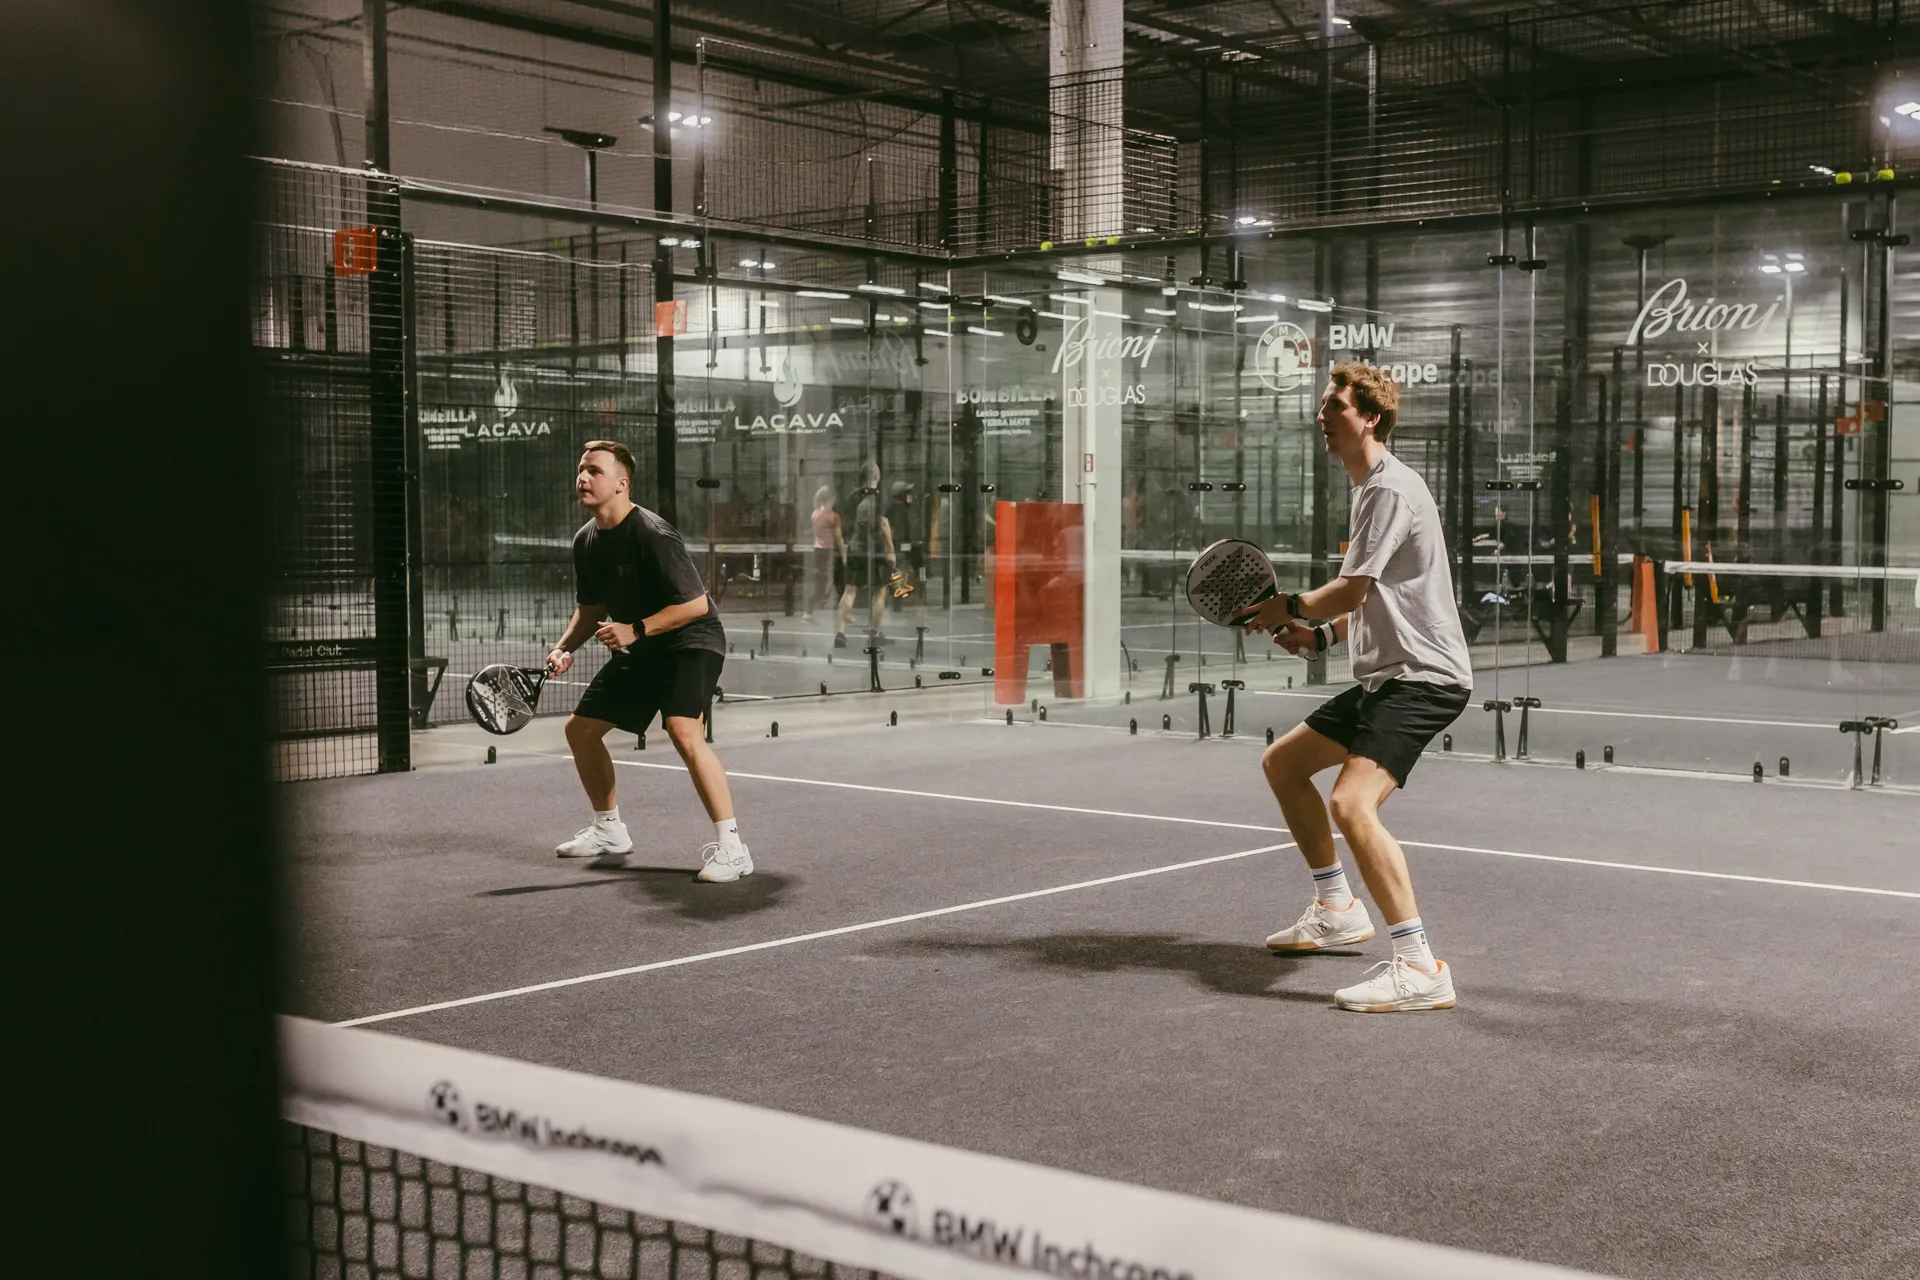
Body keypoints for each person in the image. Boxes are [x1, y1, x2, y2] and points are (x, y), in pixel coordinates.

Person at [1242, 364, 1473, 1012]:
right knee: (1284, 763)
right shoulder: (1372, 488)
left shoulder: (1389, 490)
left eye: (1335, 405)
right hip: (1385, 677)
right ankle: (1336, 907)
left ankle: (1420, 965)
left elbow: (1349, 590)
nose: (1323, 414)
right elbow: (1377, 599)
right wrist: (1318, 638)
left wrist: (1289, 603)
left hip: (1424, 680)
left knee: (1351, 804)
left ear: (1369, 416)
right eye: (1321, 405)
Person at [544, 440, 754, 883]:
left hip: (691, 641)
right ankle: (609, 831)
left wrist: (634, 629)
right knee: (580, 730)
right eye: (580, 470)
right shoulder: (586, 540)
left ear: (621, 484)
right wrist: (564, 648)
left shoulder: (652, 533)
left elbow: (697, 604)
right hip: (641, 646)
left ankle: (734, 849)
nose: (582, 477)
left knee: (683, 729)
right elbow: (591, 608)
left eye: (594, 471)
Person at [834, 461, 897, 647]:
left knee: (850, 590)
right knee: (880, 590)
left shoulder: (852, 497)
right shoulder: (880, 498)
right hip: (875, 549)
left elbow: (844, 523)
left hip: (855, 547)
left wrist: (846, 546)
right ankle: (874, 633)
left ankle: (840, 633)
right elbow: (884, 525)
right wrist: (891, 550)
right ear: (877, 476)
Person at [807, 485, 842, 623]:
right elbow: (838, 537)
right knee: (829, 582)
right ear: (830, 499)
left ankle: (811, 610)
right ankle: (810, 611)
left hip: (818, 550)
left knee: (822, 582)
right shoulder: (832, 516)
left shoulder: (814, 514)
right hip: (828, 551)